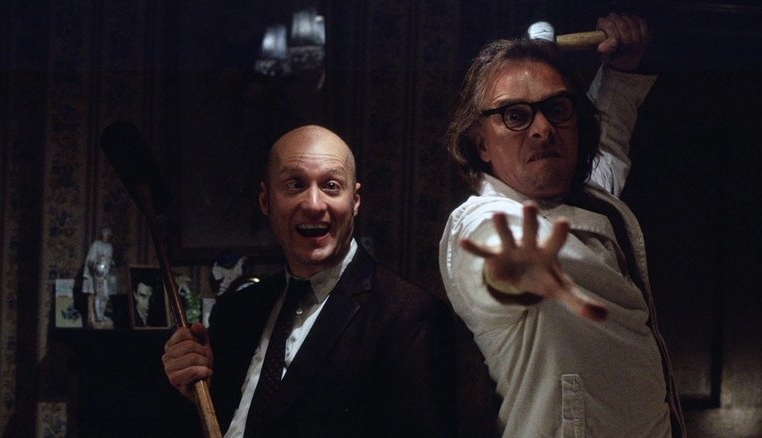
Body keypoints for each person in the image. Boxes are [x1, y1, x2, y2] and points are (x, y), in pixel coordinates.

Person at [440, 13, 685, 437]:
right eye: (515, 115)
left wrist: (620, 73)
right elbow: (495, 259)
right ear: (481, 143)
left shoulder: (584, 199)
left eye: (556, 109)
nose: (542, 129)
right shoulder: (482, 220)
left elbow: (607, 147)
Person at [163, 125, 456, 437]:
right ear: (265, 200)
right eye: (295, 185)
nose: (314, 204)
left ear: (355, 201)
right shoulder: (235, 312)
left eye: (331, 186)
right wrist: (192, 390)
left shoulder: (409, 316)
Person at [82, 225, 114, 327]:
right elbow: (90, 259)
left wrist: (106, 268)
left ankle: (101, 315)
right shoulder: (96, 245)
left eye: (108, 235)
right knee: (95, 295)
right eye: (105, 234)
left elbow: (109, 260)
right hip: (94, 274)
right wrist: (97, 264)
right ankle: (95, 317)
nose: (106, 236)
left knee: (105, 296)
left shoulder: (109, 247)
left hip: (104, 274)